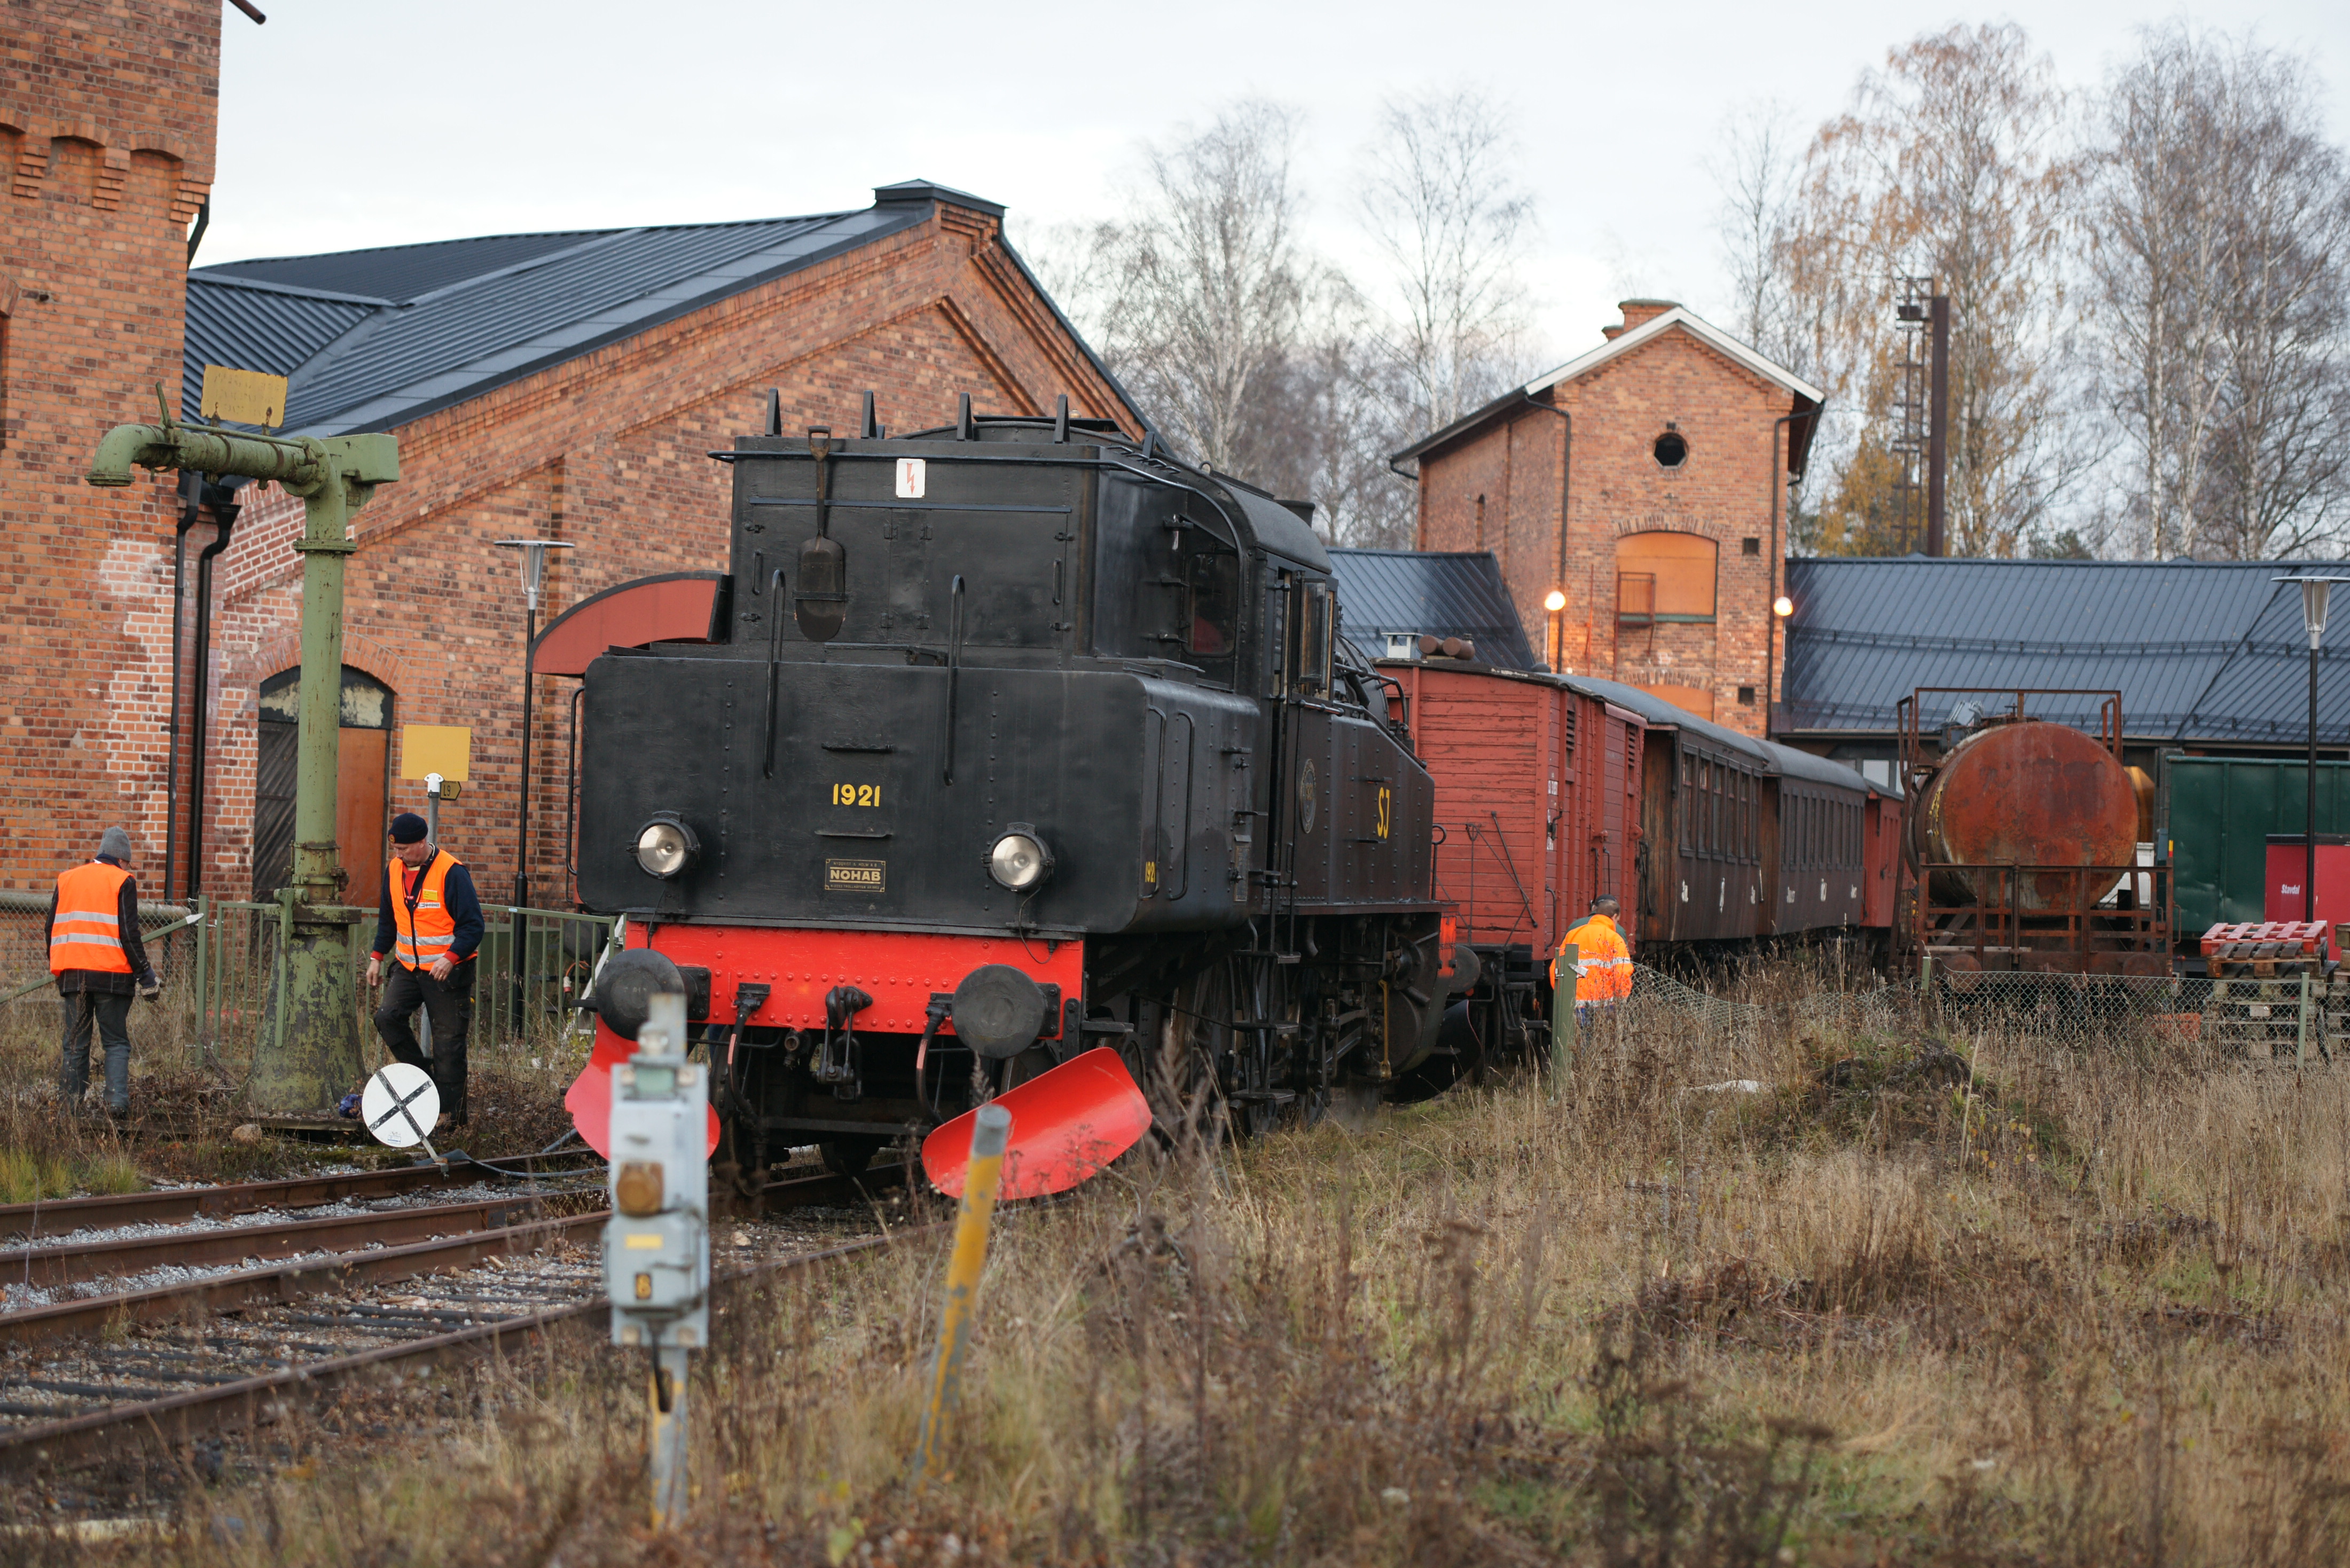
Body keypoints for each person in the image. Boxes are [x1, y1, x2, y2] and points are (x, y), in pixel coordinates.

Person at [366, 813, 484, 1126]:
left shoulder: (452, 872)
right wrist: (377, 955)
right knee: (387, 1018)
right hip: (407, 967)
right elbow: (388, 918)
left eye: (405, 849)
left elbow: (473, 926)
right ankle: (425, 1078)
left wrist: (451, 957)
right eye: (396, 849)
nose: (399, 855)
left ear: (423, 842)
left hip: (448, 971)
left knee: (448, 1045)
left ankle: (452, 1117)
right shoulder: (394, 870)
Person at [49, 826, 162, 1116]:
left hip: (74, 977)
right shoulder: (122, 880)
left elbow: (50, 928)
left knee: (75, 1046)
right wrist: (146, 975)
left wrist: (61, 967)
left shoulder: (67, 880)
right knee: (115, 1043)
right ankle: (116, 1107)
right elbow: (129, 933)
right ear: (122, 859)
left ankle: (69, 1112)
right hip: (112, 978)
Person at [1554, 895, 1634, 1021]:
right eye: (1617, 921)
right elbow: (1622, 973)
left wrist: (1563, 995)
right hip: (1605, 1006)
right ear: (1614, 917)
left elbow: (1556, 968)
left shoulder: (1574, 934)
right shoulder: (1615, 938)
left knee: (1576, 1039)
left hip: (1574, 1004)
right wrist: (1622, 998)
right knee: (1598, 1040)